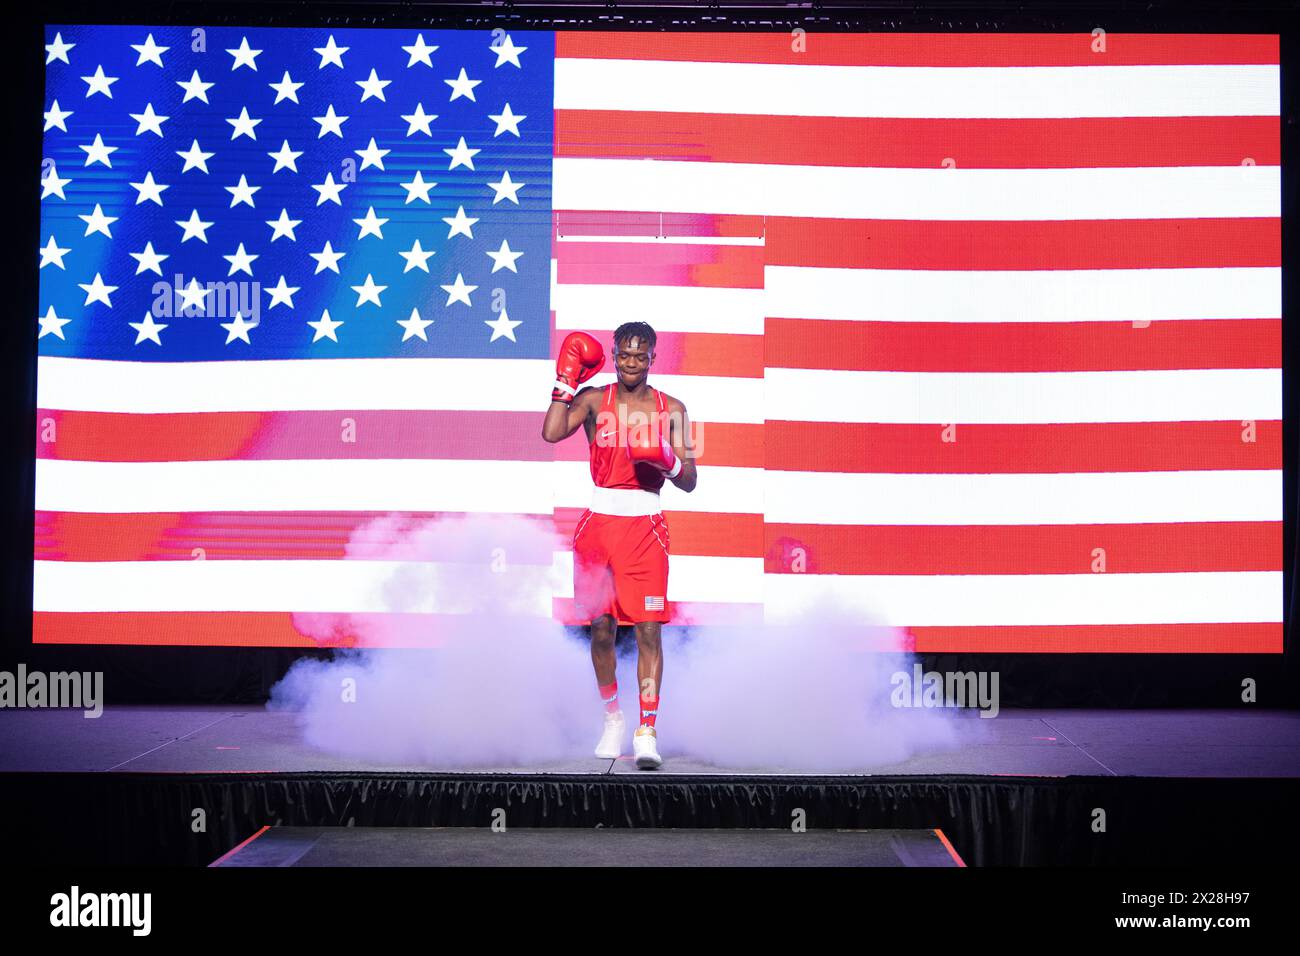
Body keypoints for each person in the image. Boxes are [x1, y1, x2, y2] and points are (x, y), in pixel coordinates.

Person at [541, 322, 697, 769]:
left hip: (646, 527)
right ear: (613, 355)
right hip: (599, 527)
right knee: (602, 629)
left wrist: (666, 458)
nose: (632, 362)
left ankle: (647, 730)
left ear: (653, 357)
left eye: (640, 355)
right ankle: (613, 718)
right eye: (624, 355)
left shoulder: (674, 409)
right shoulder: (593, 400)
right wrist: (564, 381)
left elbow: (690, 480)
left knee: (648, 629)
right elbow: (551, 433)